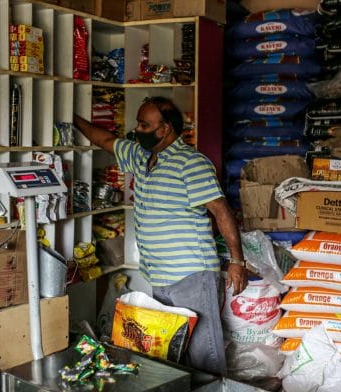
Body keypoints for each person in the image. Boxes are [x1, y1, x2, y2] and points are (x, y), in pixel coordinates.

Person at [74, 96, 248, 376]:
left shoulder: (191, 163)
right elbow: (105, 140)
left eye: (144, 125)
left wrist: (238, 262)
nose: (137, 130)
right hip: (160, 277)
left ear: (164, 129)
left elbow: (221, 211)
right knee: (172, 354)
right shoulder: (141, 157)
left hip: (192, 275)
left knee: (205, 356)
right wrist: (75, 120)